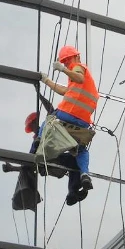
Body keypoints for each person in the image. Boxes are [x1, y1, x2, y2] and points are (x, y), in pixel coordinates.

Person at [40, 45, 99, 191]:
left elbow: (78, 77)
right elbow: (64, 90)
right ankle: (85, 174)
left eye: (67, 60)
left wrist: (62, 69)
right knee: (81, 150)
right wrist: (46, 80)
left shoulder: (79, 67)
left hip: (68, 113)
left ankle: (37, 143)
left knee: (49, 121)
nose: (68, 63)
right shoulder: (81, 81)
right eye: (65, 62)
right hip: (83, 122)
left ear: (76, 57)